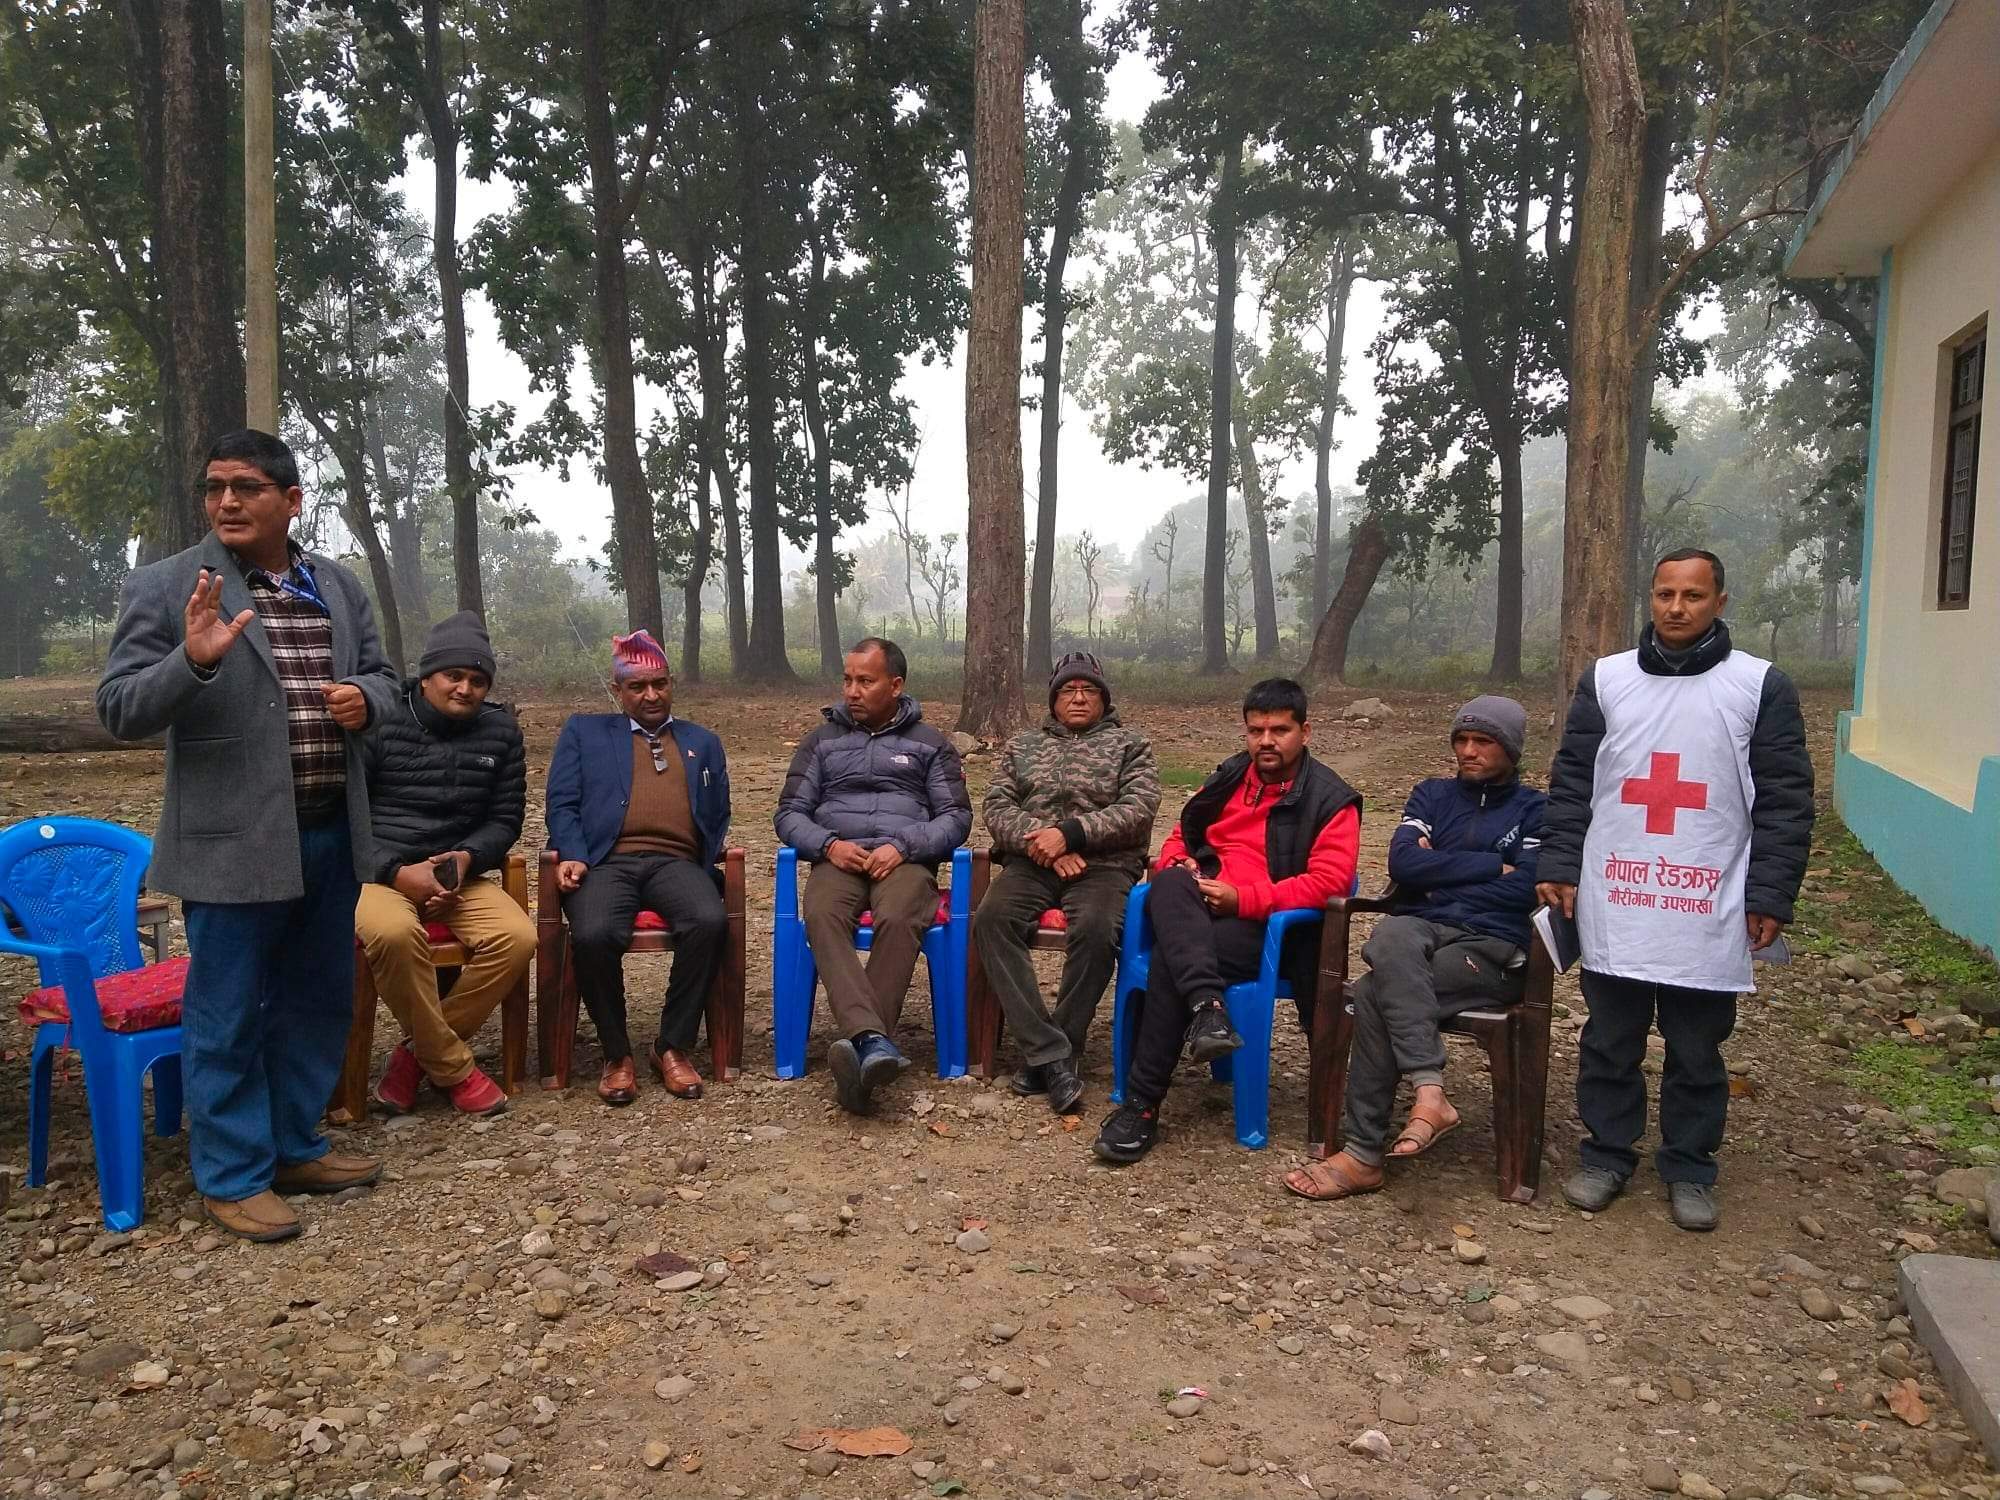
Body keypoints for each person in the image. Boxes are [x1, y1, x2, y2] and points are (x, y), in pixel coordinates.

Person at [96, 429, 399, 1243]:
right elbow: (119, 708)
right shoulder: (167, 587)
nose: (226, 501)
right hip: (231, 840)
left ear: (291, 501)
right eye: (216, 488)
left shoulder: (336, 586)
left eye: (247, 488)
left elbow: (386, 682)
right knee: (226, 1008)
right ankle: (231, 1175)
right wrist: (189, 663)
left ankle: (296, 1145)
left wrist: (366, 701)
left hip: (330, 829)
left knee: (315, 1000)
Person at [1537, 549, 1813, 1231]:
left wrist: (1770, 893)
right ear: (1650, 599)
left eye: (1693, 595)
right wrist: (1561, 862)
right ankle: (1606, 1155)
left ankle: (1690, 1167)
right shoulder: (1608, 680)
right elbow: (1574, 780)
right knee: (1609, 1038)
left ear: (1720, 602)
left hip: (1707, 898)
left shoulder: (1759, 686)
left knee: (1696, 1047)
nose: (1677, 607)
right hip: (1618, 893)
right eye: (1665, 594)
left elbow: (1785, 796)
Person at [1283, 696, 1545, 1200]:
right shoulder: (1431, 795)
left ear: (1511, 749)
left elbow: (1528, 887)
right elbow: (1403, 867)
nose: (1468, 751)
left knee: (1378, 990)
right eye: (1462, 740)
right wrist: (1493, 865)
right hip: (1420, 930)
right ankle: (1430, 1094)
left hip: (1490, 948)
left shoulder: (1536, 810)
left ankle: (1362, 1154)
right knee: (1391, 935)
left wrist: (1442, 869)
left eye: (1483, 742)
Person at [1093, 678, 1361, 1166]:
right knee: (1170, 881)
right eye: (1256, 730)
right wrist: (1184, 863)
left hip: (1267, 927)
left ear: (1305, 731)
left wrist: (1246, 899)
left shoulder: (1331, 799)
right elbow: (1180, 835)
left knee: (1172, 965)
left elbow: (1330, 882)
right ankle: (1208, 1010)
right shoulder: (1229, 777)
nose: (1266, 741)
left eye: (1279, 730)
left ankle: (1142, 1104)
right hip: (1198, 908)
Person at [775, 637, 973, 1114]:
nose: (852, 691)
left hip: (903, 861)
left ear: (896, 685)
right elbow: (788, 814)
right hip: (838, 859)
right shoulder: (820, 742)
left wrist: (904, 845)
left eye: (865, 681)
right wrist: (827, 845)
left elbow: (955, 818)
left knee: (903, 914)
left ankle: (861, 1047)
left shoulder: (930, 744)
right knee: (821, 913)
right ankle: (873, 1042)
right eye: (847, 680)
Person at [353, 611, 534, 1118]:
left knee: (517, 938)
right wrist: (395, 871)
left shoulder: (500, 731)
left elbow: (505, 820)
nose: (465, 689)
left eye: (478, 680)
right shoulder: (381, 719)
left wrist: (468, 858)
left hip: (459, 875)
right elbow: (346, 817)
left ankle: (414, 1057)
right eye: (454, 676)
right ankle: (453, 1067)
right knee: (391, 934)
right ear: (427, 676)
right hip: (381, 873)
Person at [545, 631, 731, 1106]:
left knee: (709, 920)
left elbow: (718, 810)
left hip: (675, 862)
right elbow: (561, 803)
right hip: (607, 862)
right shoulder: (584, 733)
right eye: (638, 687)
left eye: (660, 684)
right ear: (618, 690)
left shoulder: (702, 742)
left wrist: (709, 857)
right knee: (593, 933)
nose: (651, 695)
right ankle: (617, 1054)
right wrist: (572, 853)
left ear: (672, 684)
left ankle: (671, 1045)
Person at [974, 651, 1161, 1115]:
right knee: (992, 920)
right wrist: (1043, 845)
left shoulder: (1130, 745)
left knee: (1098, 930)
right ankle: (1052, 1053)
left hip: (1104, 865)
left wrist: (1071, 835)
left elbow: (1138, 810)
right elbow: (996, 806)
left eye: (1089, 690)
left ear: (1103, 698)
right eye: (1068, 691)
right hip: (1032, 861)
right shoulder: (1023, 746)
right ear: (1054, 700)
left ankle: (1059, 1044)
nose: (1078, 698)